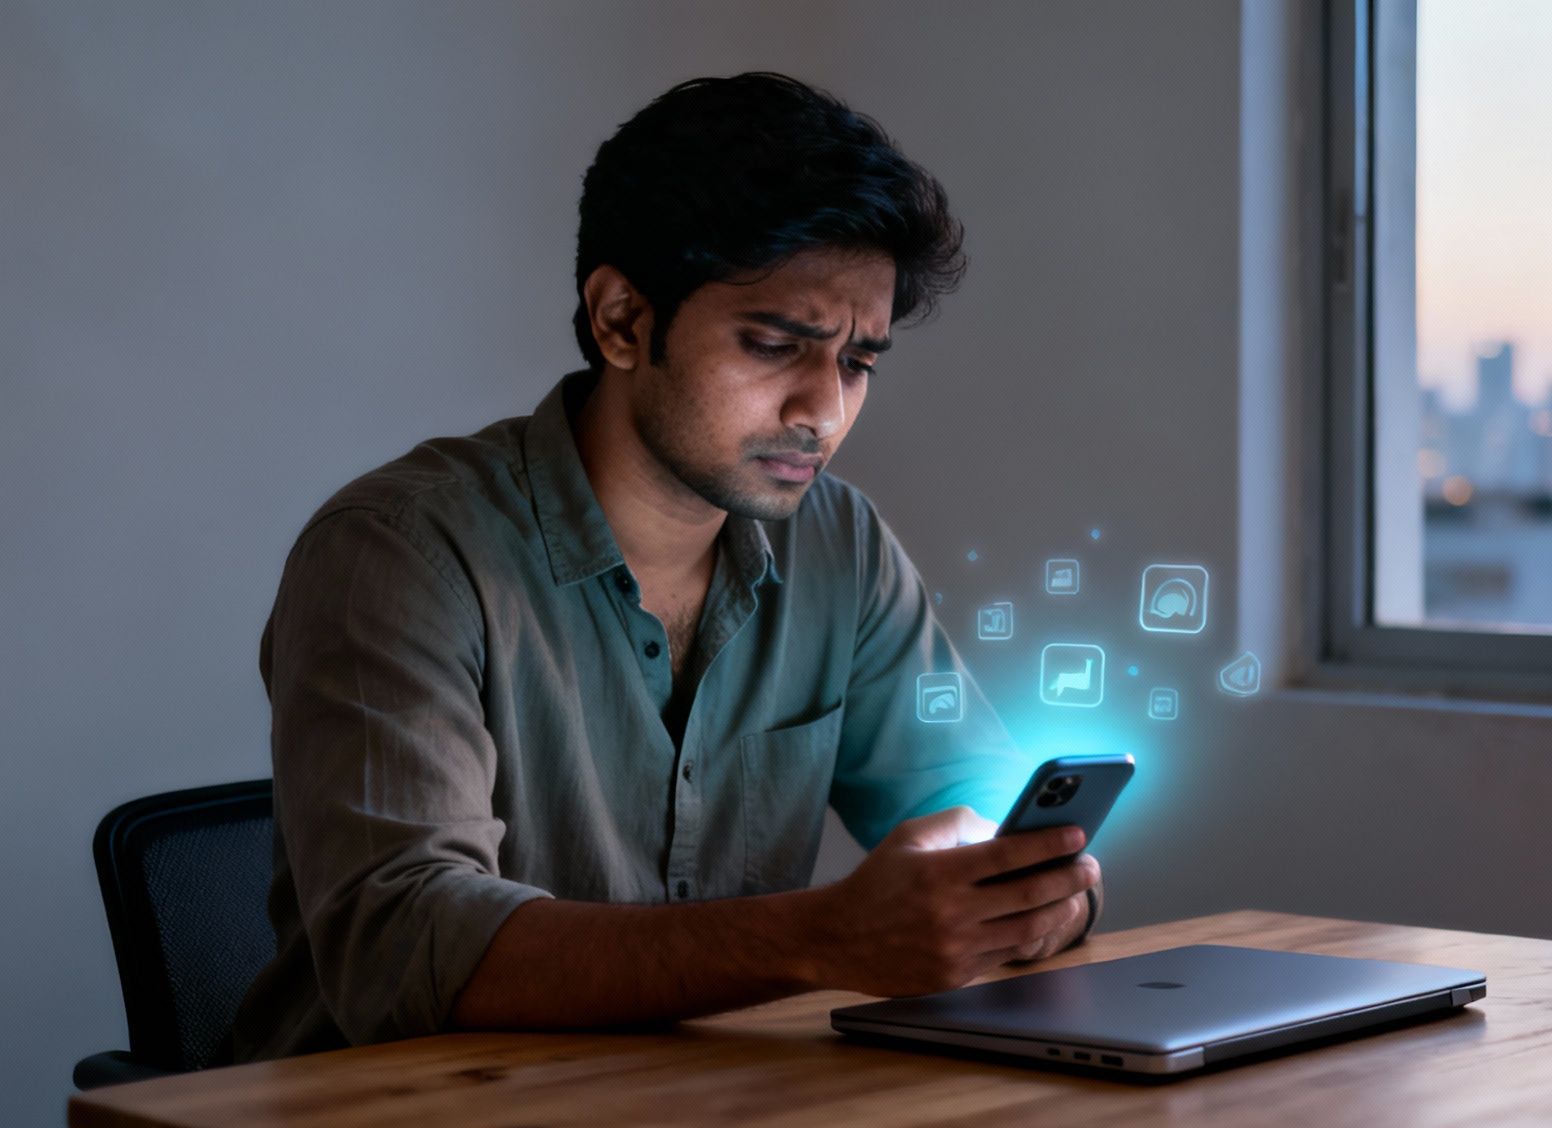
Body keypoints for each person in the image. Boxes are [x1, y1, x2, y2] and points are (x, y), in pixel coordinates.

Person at [232, 73, 1102, 1061]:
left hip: (699, 1109)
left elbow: (985, 819)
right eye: (776, 345)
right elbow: (403, 947)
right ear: (621, 321)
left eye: (858, 362)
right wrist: (820, 938)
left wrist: (1038, 895)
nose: (822, 408)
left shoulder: (840, 547)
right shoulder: (398, 552)